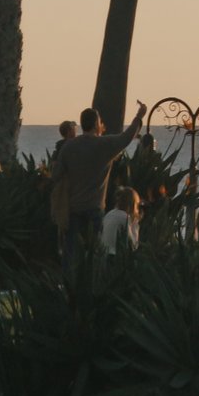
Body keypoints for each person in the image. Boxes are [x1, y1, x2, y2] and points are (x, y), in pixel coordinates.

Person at [47, 105, 145, 275]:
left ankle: (69, 285)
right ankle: (96, 283)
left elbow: (55, 175)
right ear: (95, 124)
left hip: (73, 208)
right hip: (94, 208)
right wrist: (139, 116)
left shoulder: (69, 147)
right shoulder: (104, 144)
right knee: (99, 252)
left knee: (70, 254)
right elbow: (127, 137)